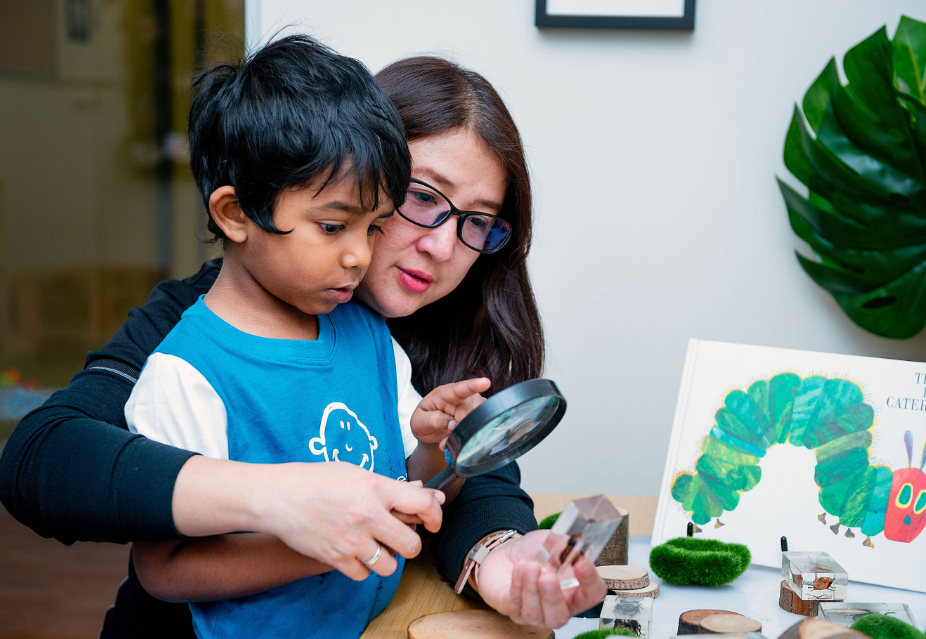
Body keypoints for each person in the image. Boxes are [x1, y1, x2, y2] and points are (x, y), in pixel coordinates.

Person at [0, 43, 606, 636]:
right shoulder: (194, 334)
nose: (444, 247)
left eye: (477, 221)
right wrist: (285, 502)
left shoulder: (403, 331)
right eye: (422, 198)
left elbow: (464, 471)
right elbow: (46, 458)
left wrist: (503, 557)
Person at [122, 35, 495, 639]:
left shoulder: (368, 336)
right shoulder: (186, 375)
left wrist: (433, 447)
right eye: (332, 226)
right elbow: (163, 569)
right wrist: (322, 543)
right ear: (235, 214)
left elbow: (407, 489)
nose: (357, 256)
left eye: (374, 228)